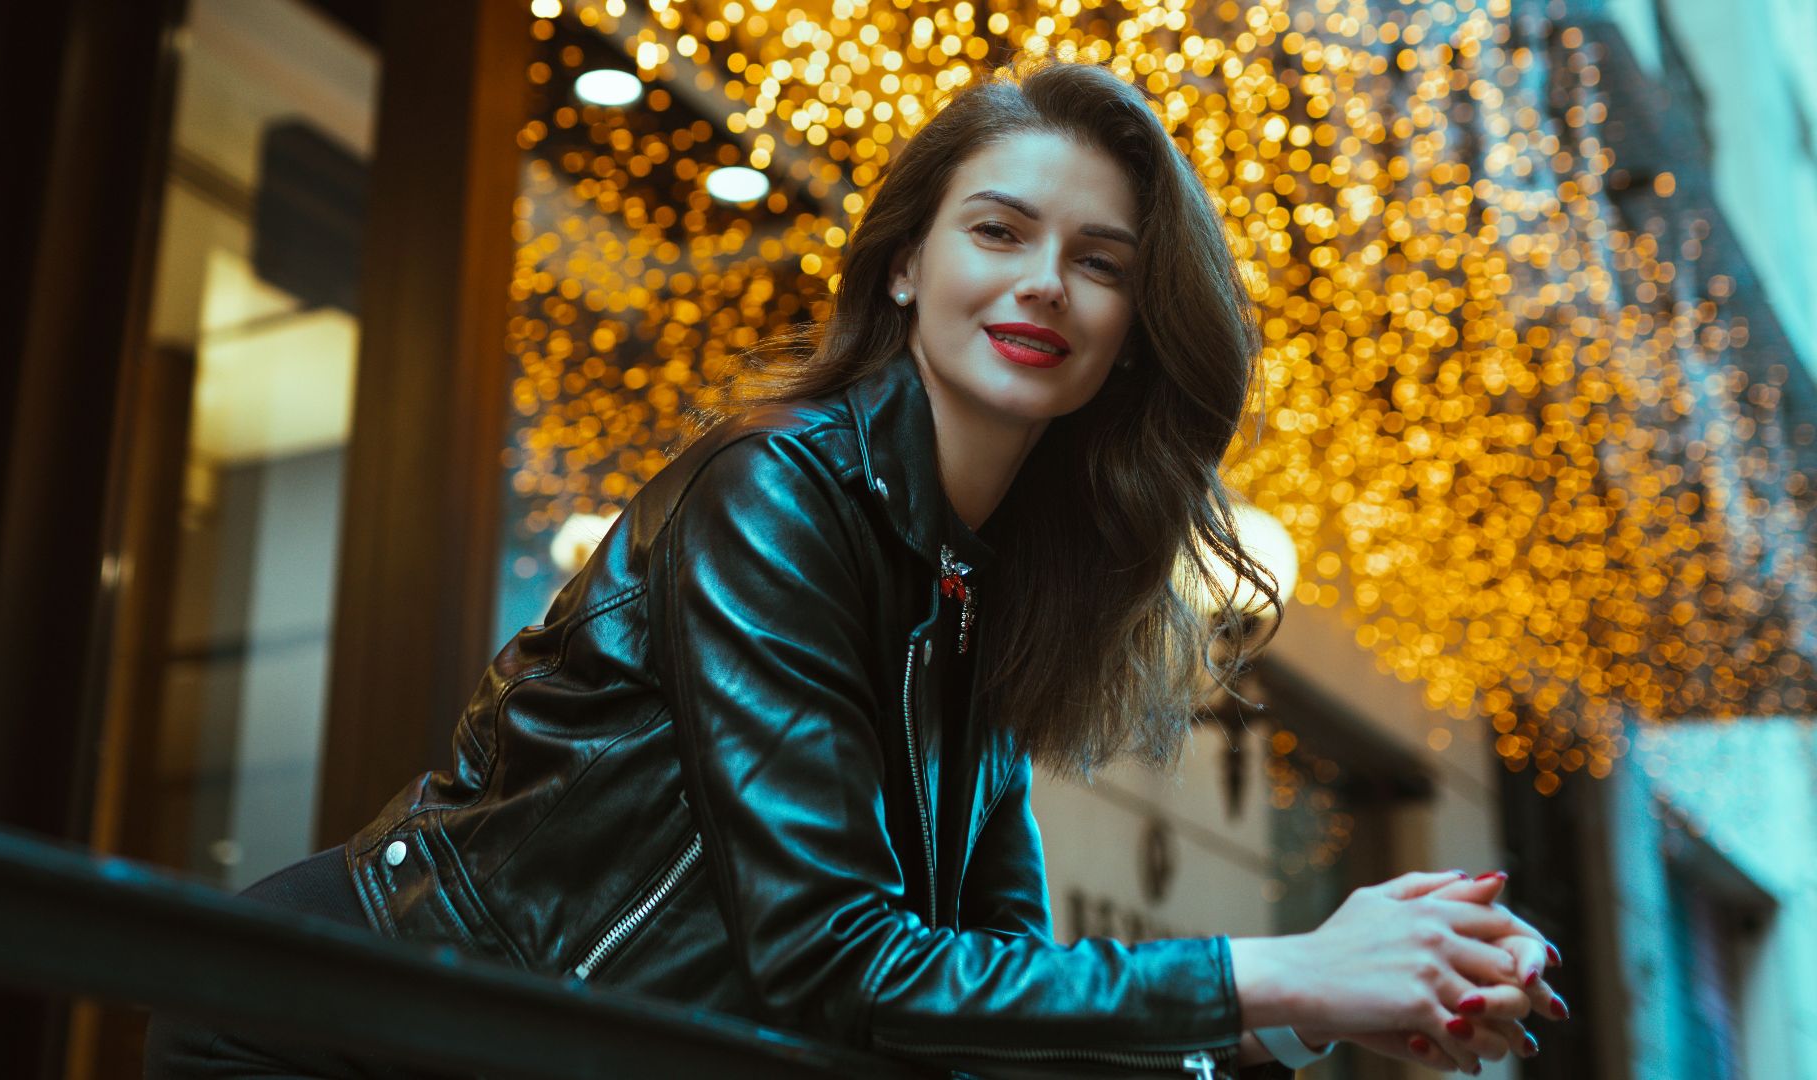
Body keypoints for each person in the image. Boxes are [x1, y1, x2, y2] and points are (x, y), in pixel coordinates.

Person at [150, 56, 1566, 1077]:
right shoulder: (778, 495)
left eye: (1099, 261)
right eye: (998, 231)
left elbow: (986, 999)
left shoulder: (987, 592)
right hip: (339, 1034)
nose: (1040, 285)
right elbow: (836, 960)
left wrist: (1315, 1010)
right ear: (904, 266)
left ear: (1134, 324)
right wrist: (1279, 968)